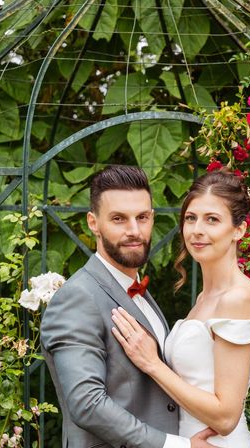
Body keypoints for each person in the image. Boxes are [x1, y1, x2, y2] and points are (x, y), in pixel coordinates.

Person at [40, 165, 217, 448]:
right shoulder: (77, 298)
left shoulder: (139, 292)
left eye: (142, 217)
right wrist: (177, 446)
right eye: (119, 219)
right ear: (93, 223)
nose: (134, 231)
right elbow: (87, 404)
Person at [111, 169, 250, 448]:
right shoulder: (204, 298)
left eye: (212, 220)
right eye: (190, 218)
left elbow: (225, 417)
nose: (197, 230)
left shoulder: (237, 297)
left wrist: (152, 364)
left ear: (239, 230)